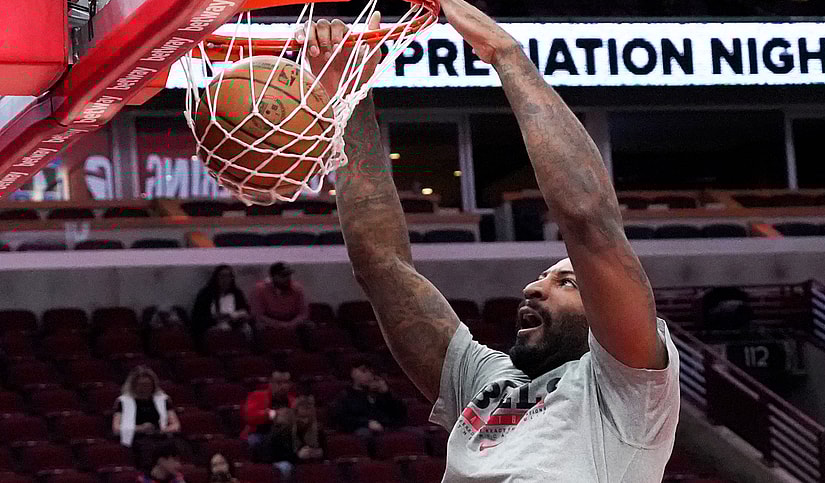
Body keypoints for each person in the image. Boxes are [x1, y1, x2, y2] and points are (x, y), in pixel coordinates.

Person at [303, 3, 680, 481]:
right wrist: (350, 95)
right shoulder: (487, 382)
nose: (533, 288)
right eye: (544, 277)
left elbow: (588, 221)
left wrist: (506, 54)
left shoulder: (628, 390)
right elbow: (380, 264)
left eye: (566, 281)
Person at [113, 366, 182, 467]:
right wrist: (140, 428)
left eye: (148, 385)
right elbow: (116, 428)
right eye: (141, 385)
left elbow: (175, 424)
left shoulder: (163, 399)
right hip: (137, 437)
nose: (145, 388)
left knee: (177, 445)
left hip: (160, 434)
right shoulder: (123, 401)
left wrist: (163, 430)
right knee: (148, 448)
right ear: (134, 385)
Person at [241, 370, 300, 477]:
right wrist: (273, 414)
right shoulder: (257, 396)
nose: (282, 386)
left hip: (284, 439)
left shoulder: (294, 402)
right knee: (254, 441)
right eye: (278, 383)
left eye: (286, 383)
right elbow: (249, 417)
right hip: (260, 435)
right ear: (271, 383)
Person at [335, 359, 406, 437]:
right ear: (353, 373)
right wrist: (367, 423)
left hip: (386, 429)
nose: (369, 375)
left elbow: (399, 414)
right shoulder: (346, 396)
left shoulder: (380, 394)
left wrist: (386, 393)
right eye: (364, 371)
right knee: (365, 434)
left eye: (371, 372)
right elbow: (343, 419)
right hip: (361, 430)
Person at [192, 265, 253, 342]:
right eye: (222, 276)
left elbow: (245, 311)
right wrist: (216, 318)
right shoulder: (205, 294)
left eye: (229, 276)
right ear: (216, 277)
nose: (225, 279)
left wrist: (241, 317)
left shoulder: (237, 294)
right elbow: (197, 319)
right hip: (212, 330)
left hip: (235, 329)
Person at [249, 262, 310, 329]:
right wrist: (279, 325)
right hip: (269, 325)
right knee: (258, 326)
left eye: (289, 275)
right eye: (283, 275)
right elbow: (258, 315)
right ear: (273, 277)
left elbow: (303, 314)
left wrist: (290, 325)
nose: (288, 278)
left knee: (308, 326)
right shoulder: (260, 290)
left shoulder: (298, 289)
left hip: (293, 325)